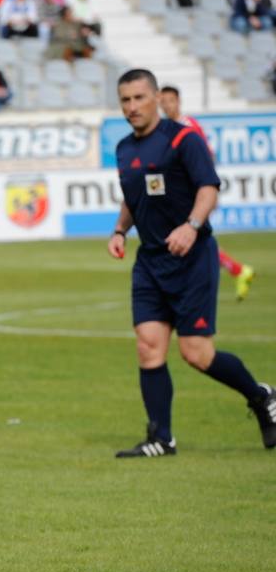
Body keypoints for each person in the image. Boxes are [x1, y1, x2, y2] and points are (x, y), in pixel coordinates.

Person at [107, 69, 275, 457]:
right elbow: (134, 198)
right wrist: (119, 230)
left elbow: (208, 187)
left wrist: (192, 226)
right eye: (125, 100)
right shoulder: (123, 149)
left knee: (196, 353)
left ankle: (261, 395)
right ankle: (161, 438)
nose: (132, 107)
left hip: (191, 258)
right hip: (149, 261)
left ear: (156, 98)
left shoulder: (184, 139)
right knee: (149, 347)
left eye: (138, 98)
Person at [158, 85, 255, 301]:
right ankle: (237, 270)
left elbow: (205, 160)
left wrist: (208, 192)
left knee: (193, 239)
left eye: (170, 100)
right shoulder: (164, 129)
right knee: (189, 239)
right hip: (179, 196)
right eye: (162, 101)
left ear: (178, 101)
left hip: (195, 196)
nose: (166, 105)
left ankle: (231, 272)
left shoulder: (189, 126)